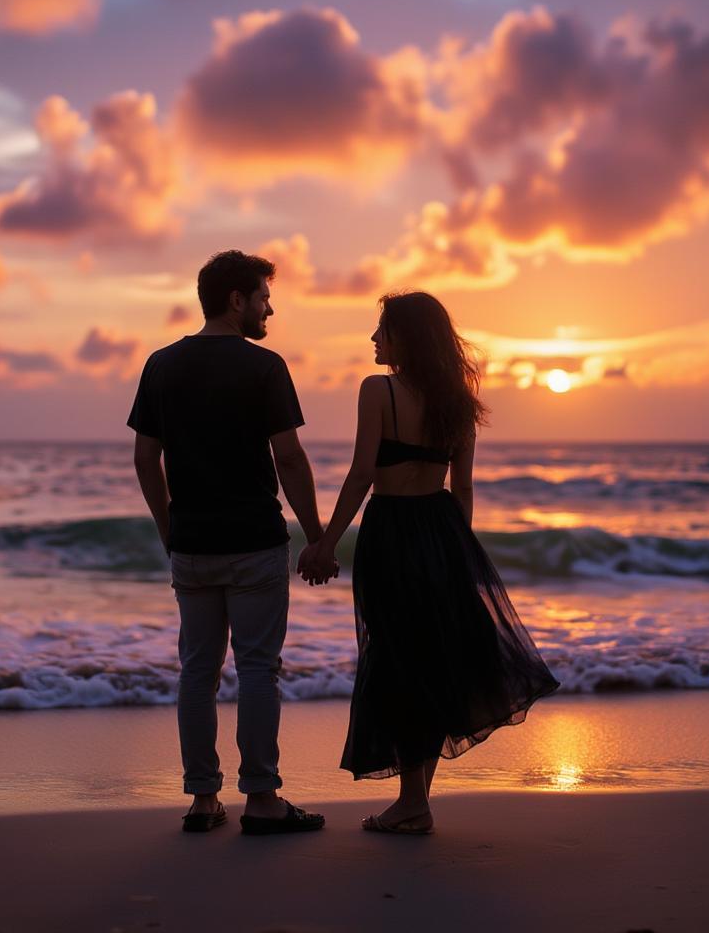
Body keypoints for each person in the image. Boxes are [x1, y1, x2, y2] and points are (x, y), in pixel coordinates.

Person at [299, 291, 560, 834]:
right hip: (441, 531)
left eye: (382, 330)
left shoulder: (378, 390)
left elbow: (362, 475)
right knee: (432, 658)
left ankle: (413, 803)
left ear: (406, 338)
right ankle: (414, 800)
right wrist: (456, 549)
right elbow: (462, 487)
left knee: (396, 660)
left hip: (392, 531)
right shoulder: (457, 402)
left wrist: (325, 542)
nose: (374, 339)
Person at [129, 250, 334, 835]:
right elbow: (288, 457)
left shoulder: (161, 365)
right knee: (257, 670)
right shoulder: (264, 367)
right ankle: (262, 799)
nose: (271, 308)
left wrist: (171, 531)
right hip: (253, 543)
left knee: (197, 670)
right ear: (237, 300)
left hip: (192, 545)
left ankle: (202, 801)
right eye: (264, 297)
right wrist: (317, 535)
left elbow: (146, 458)